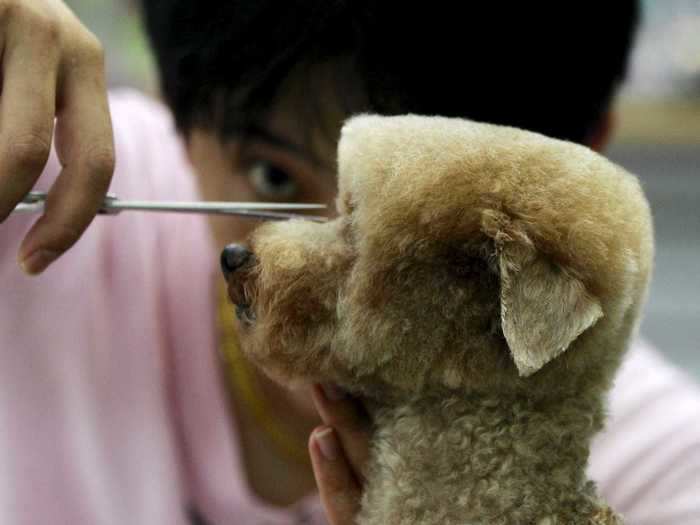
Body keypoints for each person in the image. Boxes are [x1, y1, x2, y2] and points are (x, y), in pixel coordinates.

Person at [0, 1, 699, 524]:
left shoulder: (661, 472)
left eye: (429, 245)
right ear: (179, 118)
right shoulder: (49, 185)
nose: (330, 245)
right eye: (274, 178)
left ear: (586, 157)